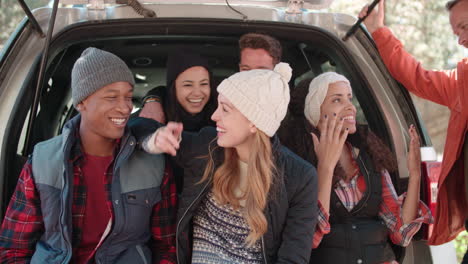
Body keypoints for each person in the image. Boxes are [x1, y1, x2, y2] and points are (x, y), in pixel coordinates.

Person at [0, 48, 177, 264]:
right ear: (81, 102)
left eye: (128, 97)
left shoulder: (154, 165)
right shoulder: (42, 161)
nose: (125, 108)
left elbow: (167, 248)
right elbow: (14, 249)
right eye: (112, 97)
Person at [131, 63, 318, 263]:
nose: (214, 116)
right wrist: (154, 139)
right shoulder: (208, 146)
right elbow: (137, 126)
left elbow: (293, 258)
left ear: (254, 121)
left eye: (225, 109)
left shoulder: (300, 177)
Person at [280, 72, 433, 264]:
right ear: (316, 111)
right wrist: (325, 168)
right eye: (337, 100)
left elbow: (400, 233)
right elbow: (308, 238)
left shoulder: (369, 155)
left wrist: (415, 175)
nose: (350, 107)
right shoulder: (296, 163)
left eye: (349, 98)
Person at [359, 0, 468, 246]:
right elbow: (415, 77)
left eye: (465, 27)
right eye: (456, 32)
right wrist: (378, 30)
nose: (461, 40)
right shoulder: (462, 83)